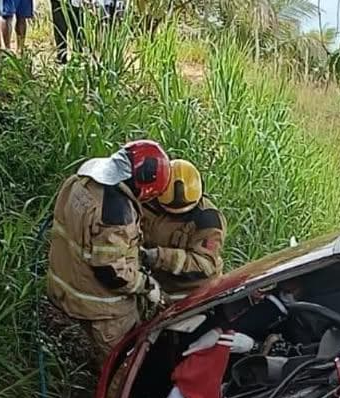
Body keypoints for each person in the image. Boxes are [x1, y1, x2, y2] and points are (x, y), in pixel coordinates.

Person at [46, 140, 171, 362]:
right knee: (124, 361)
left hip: (65, 285)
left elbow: (87, 238)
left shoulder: (81, 181)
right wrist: (146, 285)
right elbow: (111, 272)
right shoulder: (116, 212)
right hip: (101, 307)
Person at [140, 159, 226, 302]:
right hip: (156, 286)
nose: (177, 214)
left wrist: (158, 256)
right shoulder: (148, 204)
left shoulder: (209, 219)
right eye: (170, 210)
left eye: (183, 211)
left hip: (194, 292)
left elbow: (205, 264)